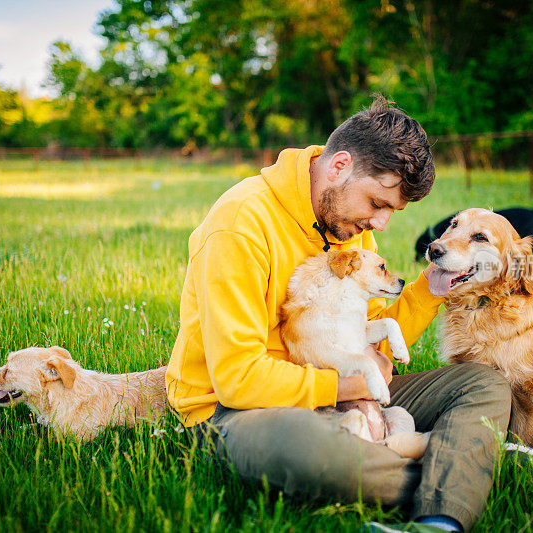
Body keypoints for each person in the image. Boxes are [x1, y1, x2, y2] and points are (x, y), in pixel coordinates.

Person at [164, 96, 512, 533]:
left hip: (346, 390)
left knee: (484, 384)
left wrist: (430, 288)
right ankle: (460, 473)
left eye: (392, 211)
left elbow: (369, 343)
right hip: (237, 411)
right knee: (309, 449)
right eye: (377, 203)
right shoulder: (241, 224)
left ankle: (439, 517)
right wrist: (348, 383)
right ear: (339, 166)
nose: (381, 224)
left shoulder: (349, 229)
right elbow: (237, 379)